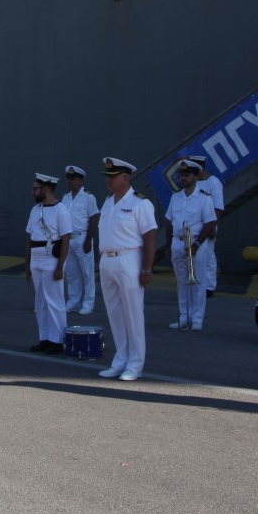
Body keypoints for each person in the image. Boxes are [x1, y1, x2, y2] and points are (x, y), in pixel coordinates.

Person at [95, 158, 157, 380]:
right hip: (107, 260)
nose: (109, 180)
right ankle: (120, 358)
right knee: (115, 314)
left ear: (126, 177)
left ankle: (136, 363)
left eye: (113, 176)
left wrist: (147, 269)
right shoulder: (107, 203)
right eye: (107, 176)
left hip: (129, 259)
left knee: (133, 314)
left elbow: (150, 236)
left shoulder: (141, 203)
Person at [162, 159, 217, 331]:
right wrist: (167, 245)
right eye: (182, 175)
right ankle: (184, 316)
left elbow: (209, 223)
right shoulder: (176, 197)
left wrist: (197, 244)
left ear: (195, 176)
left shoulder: (204, 198)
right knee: (181, 283)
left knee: (198, 283)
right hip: (177, 243)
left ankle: (197, 319)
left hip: (196, 245)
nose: (183, 178)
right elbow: (169, 221)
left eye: (187, 175)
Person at [25, 173, 73, 354]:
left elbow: (66, 238)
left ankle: (58, 340)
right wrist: (27, 263)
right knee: (41, 301)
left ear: (45, 189)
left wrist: (61, 266)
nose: (33, 192)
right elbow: (29, 237)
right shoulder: (35, 210)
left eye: (35, 189)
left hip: (51, 257)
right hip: (37, 257)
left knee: (55, 300)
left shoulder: (61, 209)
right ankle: (45, 337)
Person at [62, 165, 98, 315]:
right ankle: (73, 302)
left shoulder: (88, 197)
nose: (70, 182)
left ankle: (88, 303)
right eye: (69, 179)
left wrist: (88, 240)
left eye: (73, 179)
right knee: (72, 273)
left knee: (87, 273)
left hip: (83, 236)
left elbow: (94, 217)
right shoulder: (65, 197)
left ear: (81, 181)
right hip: (68, 238)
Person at [191, 155, 225, 294]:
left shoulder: (213, 182)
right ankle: (198, 283)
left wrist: (212, 227)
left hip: (208, 224)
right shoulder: (194, 183)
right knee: (196, 256)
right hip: (194, 225)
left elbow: (218, 206)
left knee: (208, 255)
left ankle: (209, 286)